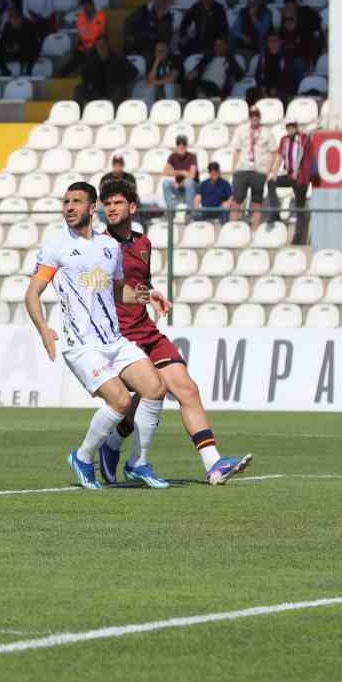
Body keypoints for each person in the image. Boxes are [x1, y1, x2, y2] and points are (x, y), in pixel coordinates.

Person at [93, 176, 252, 486]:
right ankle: (114, 447)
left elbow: (140, 284)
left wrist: (152, 294)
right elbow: (100, 290)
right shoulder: (99, 247)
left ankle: (214, 464)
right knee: (147, 393)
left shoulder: (143, 244)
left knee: (186, 389)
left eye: (118, 202)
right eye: (107, 203)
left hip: (146, 329)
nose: (111, 208)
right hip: (119, 336)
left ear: (133, 207)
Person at [23, 181, 170, 490]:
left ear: (92, 208)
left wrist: (147, 297)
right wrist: (43, 329)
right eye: (66, 202)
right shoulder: (56, 247)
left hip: (114, 340)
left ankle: (138, 462)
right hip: (82, 345)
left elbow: (116, 291)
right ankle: (83, 457)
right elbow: (32, 293)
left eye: (76, 201)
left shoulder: (110, 247)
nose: (69, 207)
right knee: (120, 400)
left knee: (155, 388)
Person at [267, 119, 313, 246]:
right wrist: (274, 173)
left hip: (301, 177)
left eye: (293, 127)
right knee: (271, 182)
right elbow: (279, 156)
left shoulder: (303, 138)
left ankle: (298, 238)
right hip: (289, 175)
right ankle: (275, 210)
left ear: (296, 127)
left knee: (299, 207)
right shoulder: (284, 140)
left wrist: (301, 131)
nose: (290, 129)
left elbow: (309, 140)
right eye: (288, 127)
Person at [229, 105, 276, 228]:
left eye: (256, 115)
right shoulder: (241, 130)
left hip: (259, 171)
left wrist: (268, 171)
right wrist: (234, 168)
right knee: (236, 201)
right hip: (242, 169)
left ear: (260, 117)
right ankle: (232, 229)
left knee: (257, 203)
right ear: (249, 117)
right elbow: (237, 150)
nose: (254, 117)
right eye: (252, 115)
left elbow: (273, 153)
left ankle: (254, 231)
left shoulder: (267, 132)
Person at [74, 36, 137, 105]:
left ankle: (112, 110)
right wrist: (87, 85)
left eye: (103, 45)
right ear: (96, 47)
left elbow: (134, 72)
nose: (101, 48)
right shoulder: (91, 59)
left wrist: (121, 80)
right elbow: (85, 76)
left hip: (113, 90)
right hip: (96, 91)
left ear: (107, 46)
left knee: (120, 90)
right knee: (79, 89)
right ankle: (78, 110)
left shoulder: (118, 58)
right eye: (99, 46)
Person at [160, 135, 199, 216]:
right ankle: (171, 210)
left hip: (191, 188)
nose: (181, 145)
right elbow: (165, 171)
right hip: (179, 187)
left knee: (188, 182)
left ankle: (189, 212)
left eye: (183, 143)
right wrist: (182, 172)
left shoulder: (192, 156)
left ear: (186, 145)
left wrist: (177, 176)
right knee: (165, 183)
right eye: (178, 143)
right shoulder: (172, 156)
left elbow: (192, 175)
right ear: (176, 145)